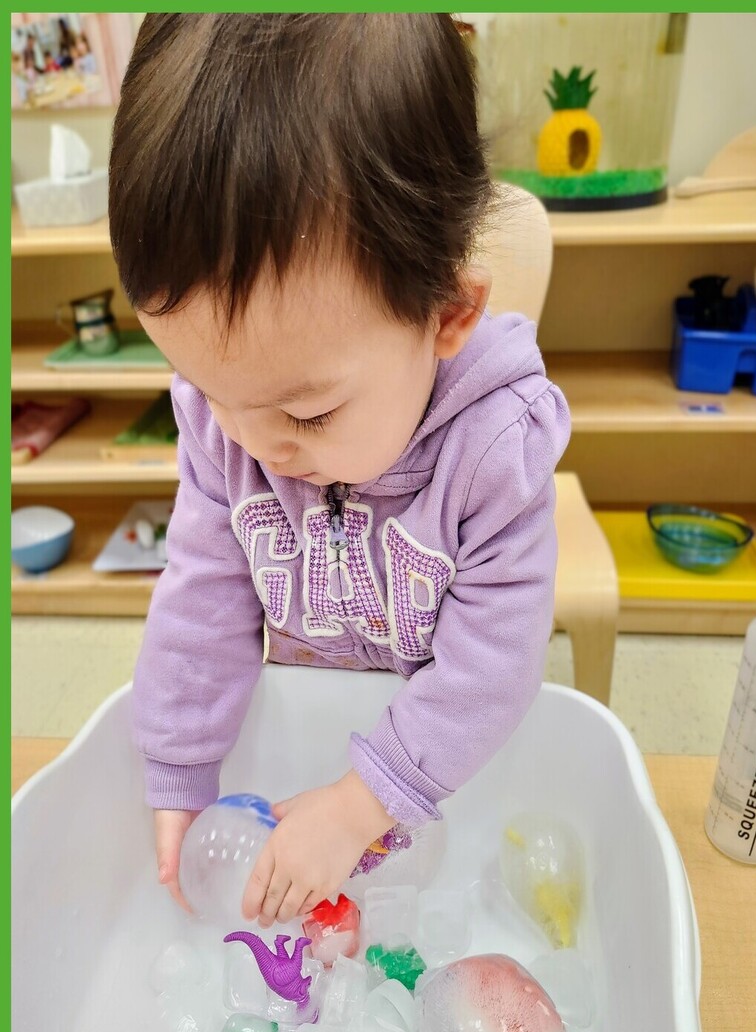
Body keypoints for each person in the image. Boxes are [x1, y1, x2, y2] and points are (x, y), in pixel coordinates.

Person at [108, 13, 570, 929]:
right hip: (309, 711)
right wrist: (180, 765)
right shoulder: (230, 421)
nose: (252, 442)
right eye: (206, 386)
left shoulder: (491, 450)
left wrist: (364, 803)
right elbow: (203, 592)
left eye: (308, 412)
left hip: (439, 752)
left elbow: (494, 666)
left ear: (446, 312)